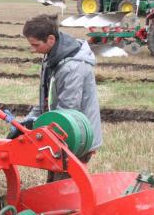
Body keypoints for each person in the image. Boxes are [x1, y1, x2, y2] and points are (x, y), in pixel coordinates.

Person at [11, 14, 102, 163]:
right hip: (62, 133)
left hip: (76, 136)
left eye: (36, 45)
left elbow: (68, 109)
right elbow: (46, 101)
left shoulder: (72, 67)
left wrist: (36, 126)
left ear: (51, 39)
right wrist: (25, 124)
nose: (32, 50)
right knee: (55, 180)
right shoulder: (52, 56)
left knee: (64, 182)